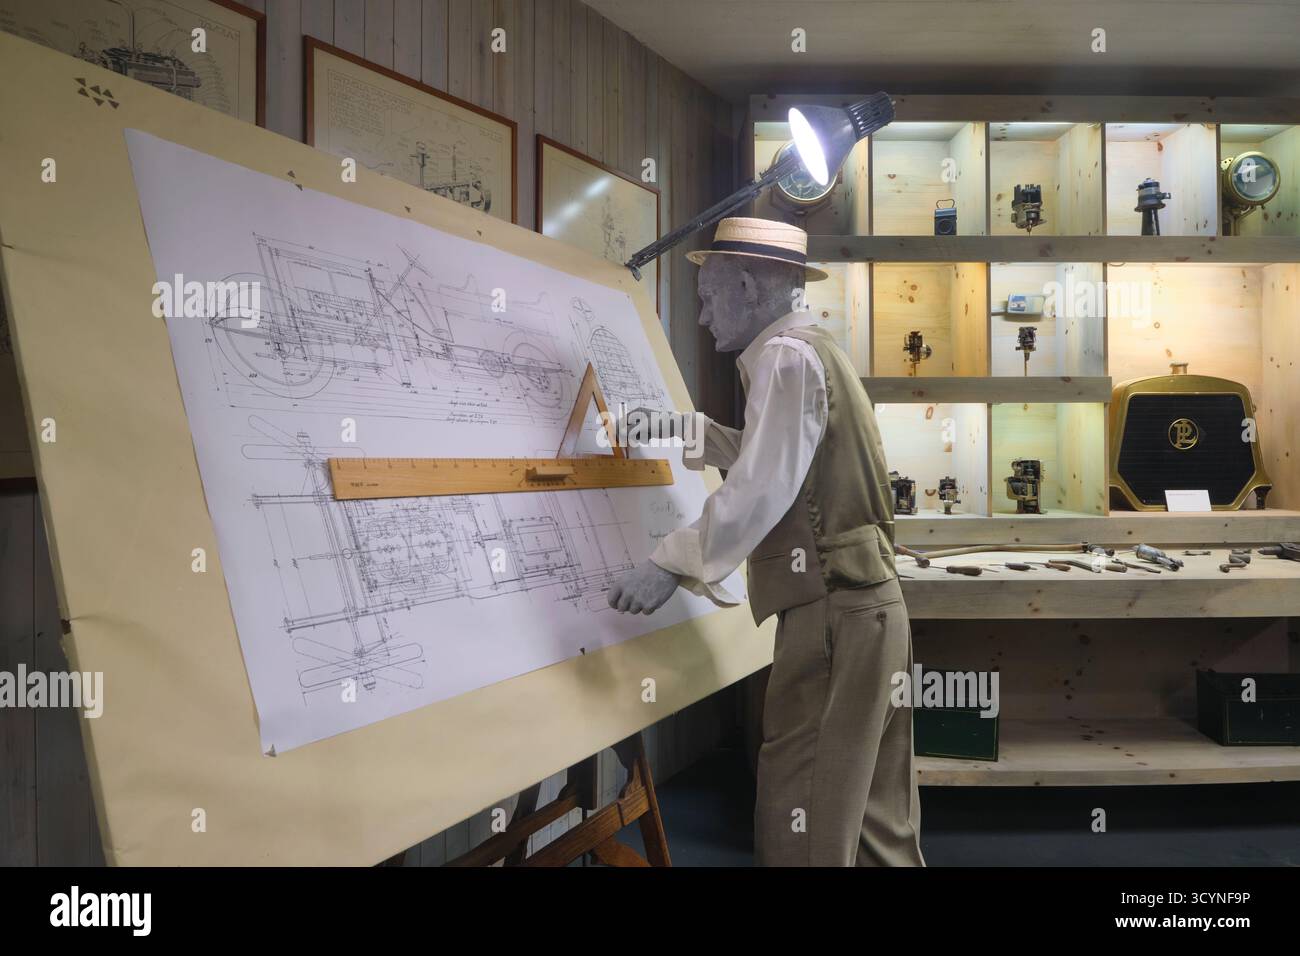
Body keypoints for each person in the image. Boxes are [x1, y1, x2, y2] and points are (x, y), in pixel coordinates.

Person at [606, 217, 924, 867]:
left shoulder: (784, 359)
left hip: (832, 614)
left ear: (748, 285)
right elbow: (777, 450)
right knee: (873, 823)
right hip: (870, 610)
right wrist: (677, 428)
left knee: (801, 813)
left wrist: (671, 561)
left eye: (709, 295)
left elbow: (761, 484)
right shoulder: (812, 349)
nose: (701, 315)